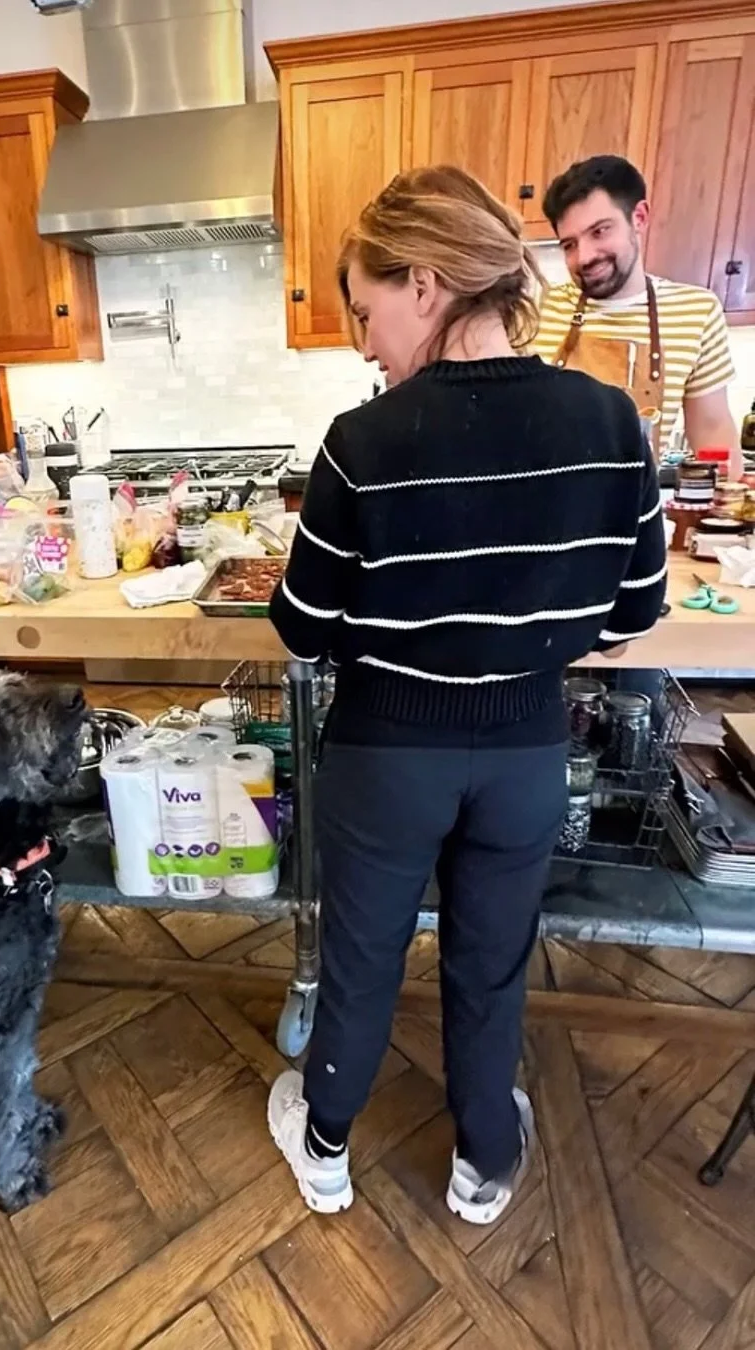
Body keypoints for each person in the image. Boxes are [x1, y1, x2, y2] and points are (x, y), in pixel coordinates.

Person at [266, 165, 667, 1225]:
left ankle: (326, 1152)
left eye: (366, 310)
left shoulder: (364, 443)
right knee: (491, 964)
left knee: (360, 958)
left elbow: (302, 628)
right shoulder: (611, 422)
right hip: (528, 754)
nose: (362, 342)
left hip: (386, 758)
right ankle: (483, 1162)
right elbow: (632, 615)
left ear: (428, 283)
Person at [535, 155, 741, 476]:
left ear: (639, 218)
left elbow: (713, 436)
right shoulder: (536, 308)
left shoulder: (696, 312)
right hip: (547, 516)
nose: (585, 256)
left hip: (639, 520)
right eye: (569, 245)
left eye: (600, 231)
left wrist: (725, 514)